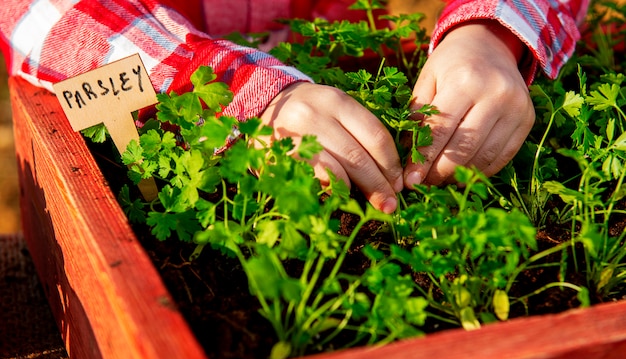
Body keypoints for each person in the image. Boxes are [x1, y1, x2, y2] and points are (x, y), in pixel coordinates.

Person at [0, 0, 589, 214]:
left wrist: (489, 30)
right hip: (165, 94)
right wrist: (249, 92)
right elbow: (30, 11)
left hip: (373, 47)